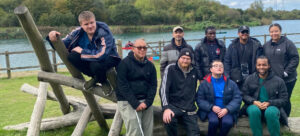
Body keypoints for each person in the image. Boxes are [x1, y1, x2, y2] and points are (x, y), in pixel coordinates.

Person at [46, 11, 120, 90]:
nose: (90, 26)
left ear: (95, 21)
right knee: (72, 56)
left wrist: (82, 51)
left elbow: (102, 54)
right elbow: (63, 45)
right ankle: (98, 78)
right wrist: (52, 36)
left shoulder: (103, 31)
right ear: (81, 25)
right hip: (91, 59)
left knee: (95, 65)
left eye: (92, 22)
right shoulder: (78, 32)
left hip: (109, 57)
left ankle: (100, 79)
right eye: (86, 24)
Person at [116, 39, 157, 136]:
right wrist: (136, 104)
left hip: (146, 101)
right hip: (128, 101)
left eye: (144, 48)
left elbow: (153, 85)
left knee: (148, 132)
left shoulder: (150, 66)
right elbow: (122, 86)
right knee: (135, 133)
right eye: (139, 47)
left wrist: (147, 102)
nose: (142, 50)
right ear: (133, 49)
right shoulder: (124, 64)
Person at [242, 56, 288, 136]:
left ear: (269, 65)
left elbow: (284, 99)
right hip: (254, 105)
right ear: (256, 66)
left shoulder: (278, 81)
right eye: (259, 65)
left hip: (272, 106)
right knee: (254, 111)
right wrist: (254, 101)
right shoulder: (249, 79)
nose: (261, 67)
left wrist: (269, 103)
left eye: (264, 65)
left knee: (270, 112)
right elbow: (244, 95)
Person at [160, 48, 200, 136]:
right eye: (183, 58)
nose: (185, 60)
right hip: (174, 106)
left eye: (188, 58)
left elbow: (205, 81)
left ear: (191, 60)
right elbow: (163, 89)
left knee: (195, 133)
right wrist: (166, 108)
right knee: (168, 119)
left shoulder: (194, 71)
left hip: (189, 108)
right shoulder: (170, 68)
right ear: (179, 58)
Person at [196, 60, 242, 136]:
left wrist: (227, 109)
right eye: (216, 66)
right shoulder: (204, 84)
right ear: (211, 69)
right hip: (211, 110)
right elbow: (199, 99)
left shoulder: (231, 83)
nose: (219, 67)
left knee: (227, 122)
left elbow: (237, 98)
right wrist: (212, 107)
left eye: (221, 66)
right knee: (214, 121)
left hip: (226, 109)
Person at [263, 23, 299, 117]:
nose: (274, 33)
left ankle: (286, 119)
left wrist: (286, 72)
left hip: (288, 79)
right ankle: (277, 117)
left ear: (280, 31)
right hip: (273, 79)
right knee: (274, 99)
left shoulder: (288, 43)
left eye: (276, 31)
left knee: (285, 99)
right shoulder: (266, 45)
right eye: (271, 31)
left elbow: (295, 58)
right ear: (269, 33)